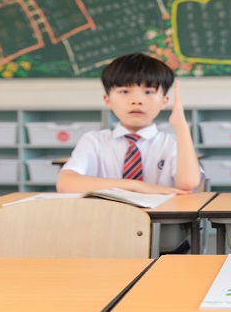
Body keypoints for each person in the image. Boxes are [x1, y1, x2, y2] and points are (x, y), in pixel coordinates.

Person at [57, 52, 204, 253]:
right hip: (104, 236)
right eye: (125, 92)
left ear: (165, 100)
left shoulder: (170, 143)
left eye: (149, 92)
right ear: (107, 99)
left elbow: (188, 184)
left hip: (162, 239)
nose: (136, 101)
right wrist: (136, 187)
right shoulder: (94, 140)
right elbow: (66, 183)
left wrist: (181, 126)